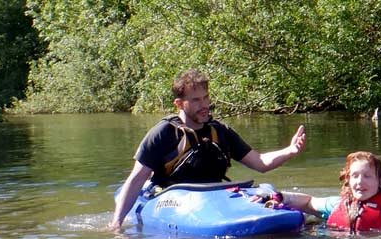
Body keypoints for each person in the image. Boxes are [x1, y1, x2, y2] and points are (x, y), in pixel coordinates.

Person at [108, 69, 307, 230]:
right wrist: (117, 223)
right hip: (174, 196)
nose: (204, 105)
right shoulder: (163, 133)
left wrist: (290, 150)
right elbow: (137, 178)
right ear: (179, 103)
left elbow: (261, 163)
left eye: (206, 98)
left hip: (214, 196)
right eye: (196, 100)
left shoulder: (220, 131)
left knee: (267, 190)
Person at [258, 151, 381, 233]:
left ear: (380, 182)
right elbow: (308, 202)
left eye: (367, 176)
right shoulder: (336, 205)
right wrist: (280, 197)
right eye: (355, 176)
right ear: (348, 180)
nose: (360, 181)